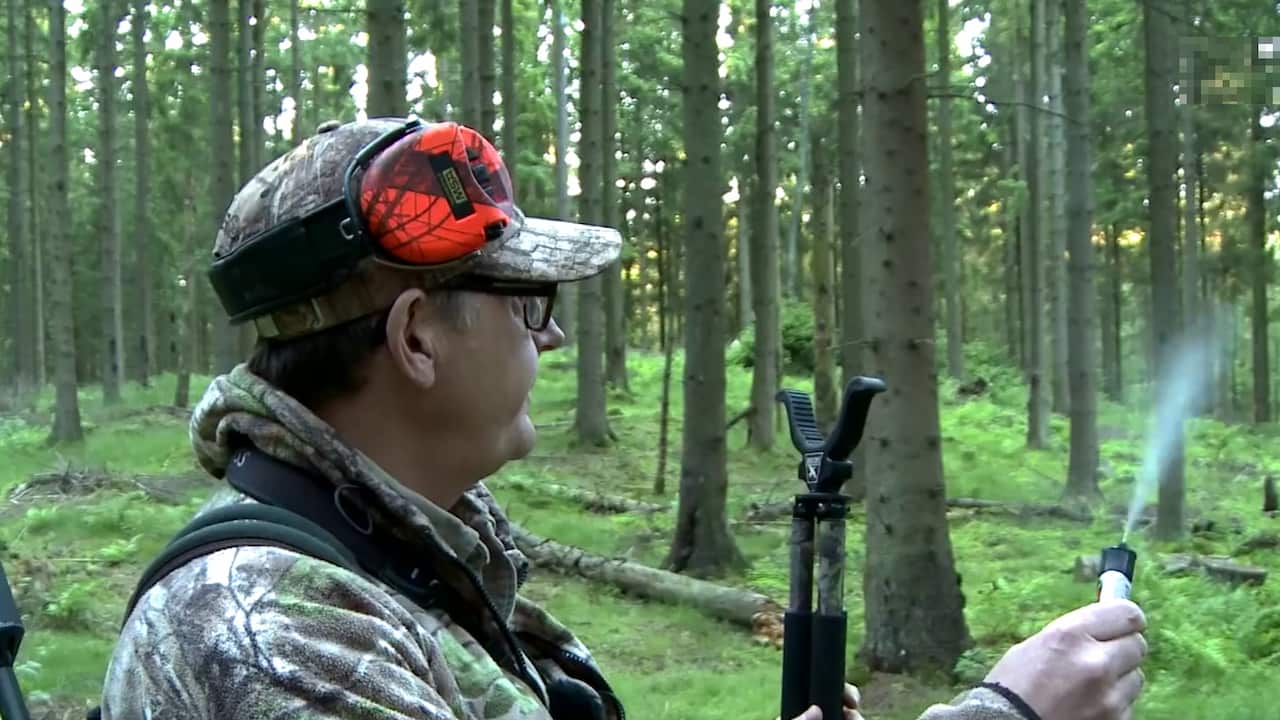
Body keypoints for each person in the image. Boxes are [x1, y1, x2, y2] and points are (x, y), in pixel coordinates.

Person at [98, 117, 1146, 720]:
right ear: (416, 338)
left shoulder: (410, 563)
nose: (552, 338)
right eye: (527, 306)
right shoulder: (271, 636)